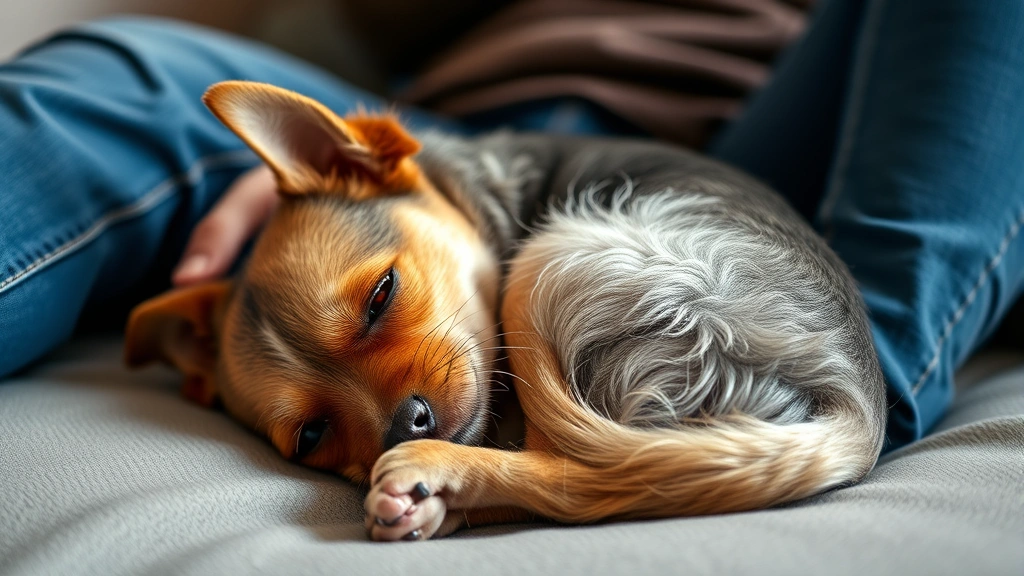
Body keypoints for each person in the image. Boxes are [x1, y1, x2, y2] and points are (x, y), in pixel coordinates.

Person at [0, 0, 1021, 453]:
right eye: (316, 434)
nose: (392, 425)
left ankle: (852, 370)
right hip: (429, 137)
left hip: (770, 156)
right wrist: (324, 179)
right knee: (113, 71)